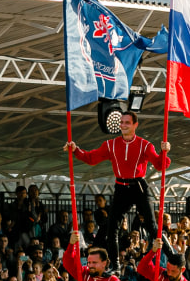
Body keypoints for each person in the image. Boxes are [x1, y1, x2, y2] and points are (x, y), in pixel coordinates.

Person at [63, 111, 172, 263]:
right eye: (121, 122)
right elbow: (92, 158)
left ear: (135, 125)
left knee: (152, 226)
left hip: (138, 186)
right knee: (112, 227)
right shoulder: (111, 144)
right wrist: (76, 150)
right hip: (121, 187)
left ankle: (173, 256)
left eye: (127, 122)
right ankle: (115, 265)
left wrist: (164, 151)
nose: (123, 125)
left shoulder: (144, 145)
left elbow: (160, 165)